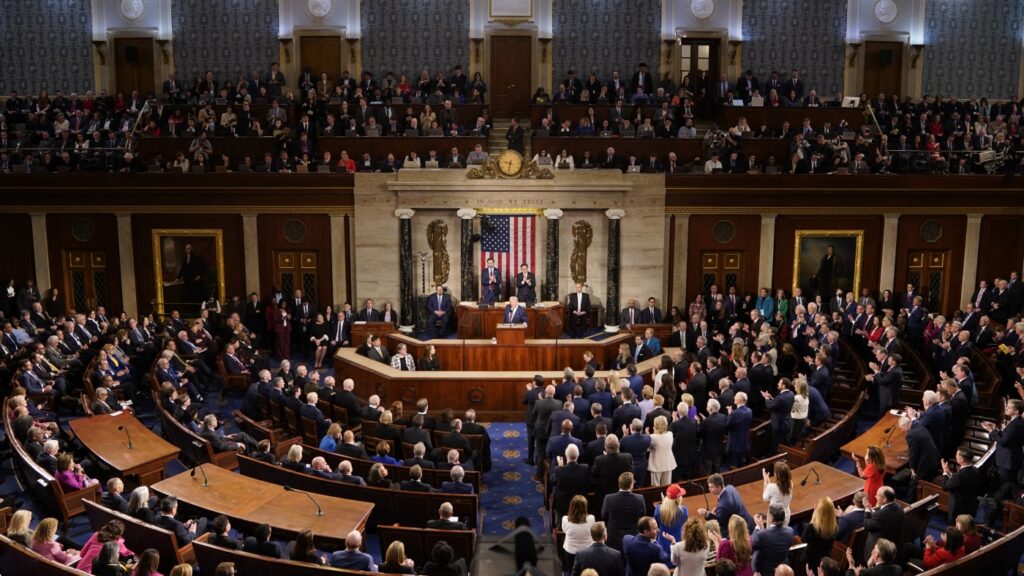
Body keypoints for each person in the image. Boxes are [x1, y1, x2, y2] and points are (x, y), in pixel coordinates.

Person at [602, 471, 647, 551]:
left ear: (619, 484)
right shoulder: (639, 499)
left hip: (613, 538)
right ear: (631, 484)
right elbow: (643, 516)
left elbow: (603, 515)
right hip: (633, 538)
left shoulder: (608, 498)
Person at [862, 487, 903, 564]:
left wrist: (867, 509)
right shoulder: (899, 507)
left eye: (877, 495)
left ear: (884, 499)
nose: (875, 496)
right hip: (894, 544)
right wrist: (872, 510)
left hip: (879, 551)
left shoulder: (880, 515)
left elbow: (867, 525)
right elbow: (884, 518)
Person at [750, 504, 793, 576]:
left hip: (766, 571)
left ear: (770, 518)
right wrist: (762, 528)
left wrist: (758, 526)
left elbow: (753, 545)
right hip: (783, 569)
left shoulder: (762, 535)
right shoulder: (790, 531)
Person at [653, 484, 687, 563]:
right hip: (677, 541)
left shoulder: (658, 510)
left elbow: (657, 522)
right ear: (678, 498)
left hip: (662, 540)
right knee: (676, 563)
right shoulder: (684, 511)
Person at [801, 497, 838, 571]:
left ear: (819, 512)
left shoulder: (812, 527)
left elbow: (803, 539)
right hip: (824, 560)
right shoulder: (834, 526)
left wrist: (813, 518)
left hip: (809, 560)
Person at [561, 495, 596, 571]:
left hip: (570, 551)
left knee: (572, 570)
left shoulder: (565, 519)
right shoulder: (591, 518)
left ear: (571, 506)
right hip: (587, 552)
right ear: (585, 507)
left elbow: (564, 531)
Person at [761, 461, 793, 526]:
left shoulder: (772, 487)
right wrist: (768, 482)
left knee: (771, 535)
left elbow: (765, 498)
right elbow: (776, 491)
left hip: (774, 517)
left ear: (777, 475)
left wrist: (765, 481)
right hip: (785, 515)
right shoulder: (790, 484)